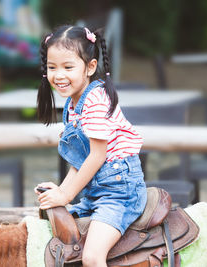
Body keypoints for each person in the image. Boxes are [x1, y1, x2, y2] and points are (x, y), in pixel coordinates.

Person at [34, 25, 147, 267]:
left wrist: (65, 194)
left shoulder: (95, 100)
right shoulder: (74, 104)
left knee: (92, 258)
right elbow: (81, 160)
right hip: (97, 191)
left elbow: (97, 157)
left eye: (68, 67)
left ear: (90, 67)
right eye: (52, 67)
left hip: (120, 192)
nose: (59, 75)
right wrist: (60, 192)